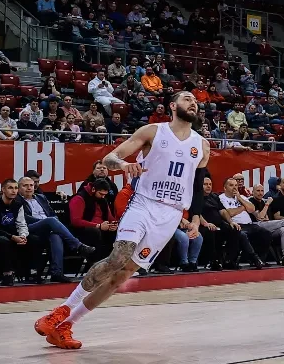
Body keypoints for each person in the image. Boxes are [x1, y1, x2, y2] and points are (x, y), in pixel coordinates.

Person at [35, 90, 210, 350]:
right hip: (144, 203)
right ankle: (61, 311)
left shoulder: (202, 145)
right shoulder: (153, 131)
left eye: (195, 101)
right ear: (172, 106)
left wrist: (194, 218)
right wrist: (123, 165)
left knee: (123, 275)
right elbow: (110, 158)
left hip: (171, 213)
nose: (193, 103)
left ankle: (67, 325)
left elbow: (197, 186)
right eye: (187, 99)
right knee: (118, 257)